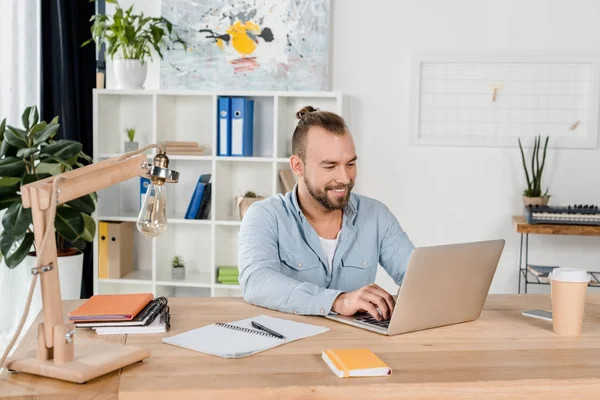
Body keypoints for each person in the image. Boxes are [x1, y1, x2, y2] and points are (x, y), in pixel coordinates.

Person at [237, 106, 414, 321]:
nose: (345, 178)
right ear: (297, 166)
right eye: (330, 166)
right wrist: (337, 301)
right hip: (288, 343)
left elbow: (415, 278)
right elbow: (256, 282)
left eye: (350, 164)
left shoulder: (376, 216)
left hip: (355, 345)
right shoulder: (265, 216)